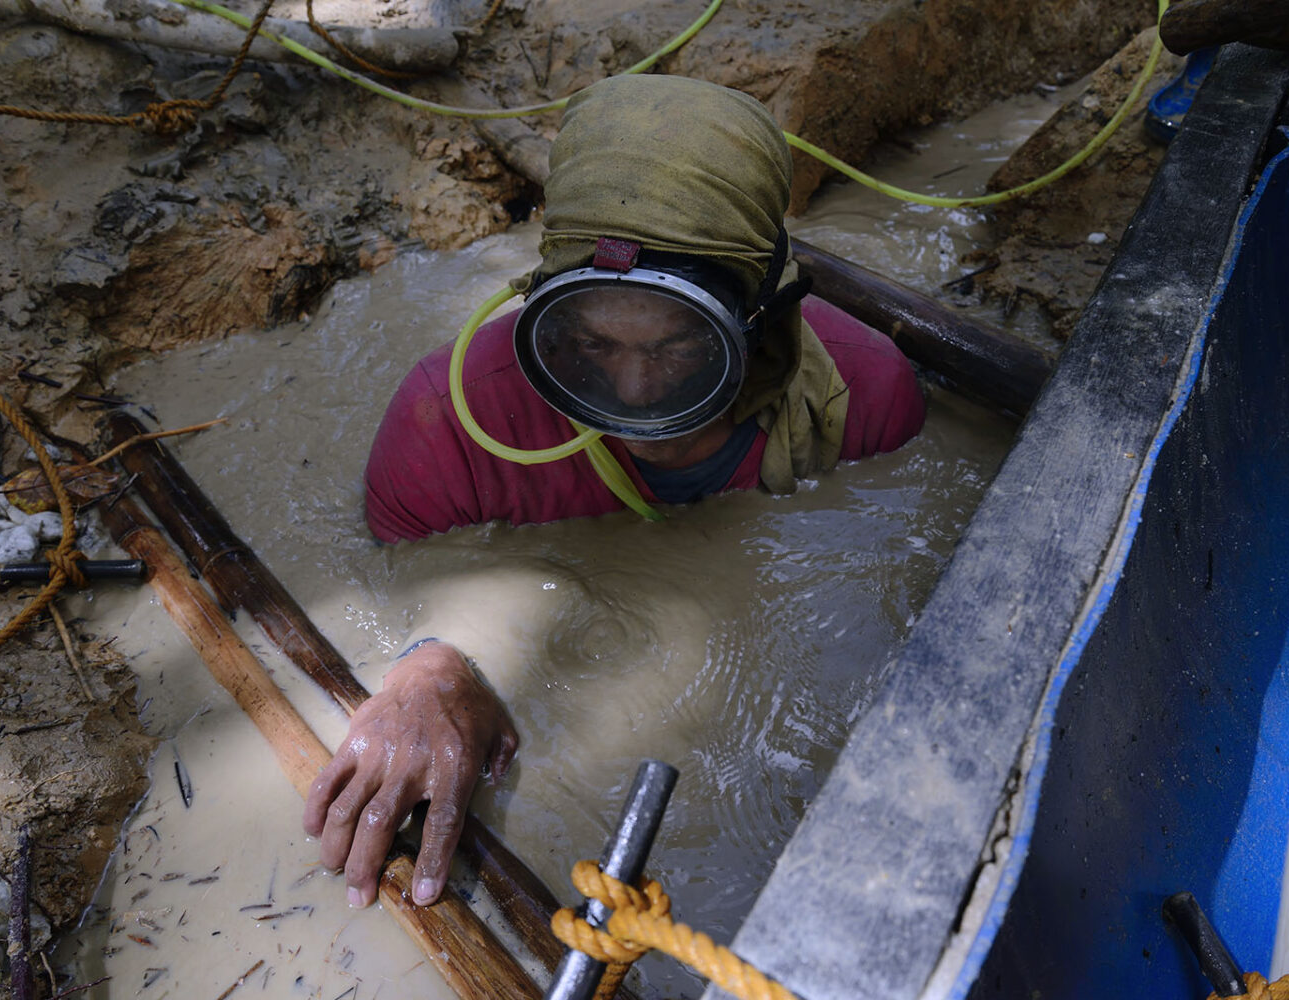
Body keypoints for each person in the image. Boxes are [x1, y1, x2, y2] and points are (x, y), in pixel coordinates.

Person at [303, 74, 926, 909]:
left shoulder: (866, 398)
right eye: (590, 342)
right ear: (541, 301)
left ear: (758, 318)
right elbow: (405, 589)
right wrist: (430, 665)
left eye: (677, 350)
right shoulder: (442, 428)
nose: (633, 391)